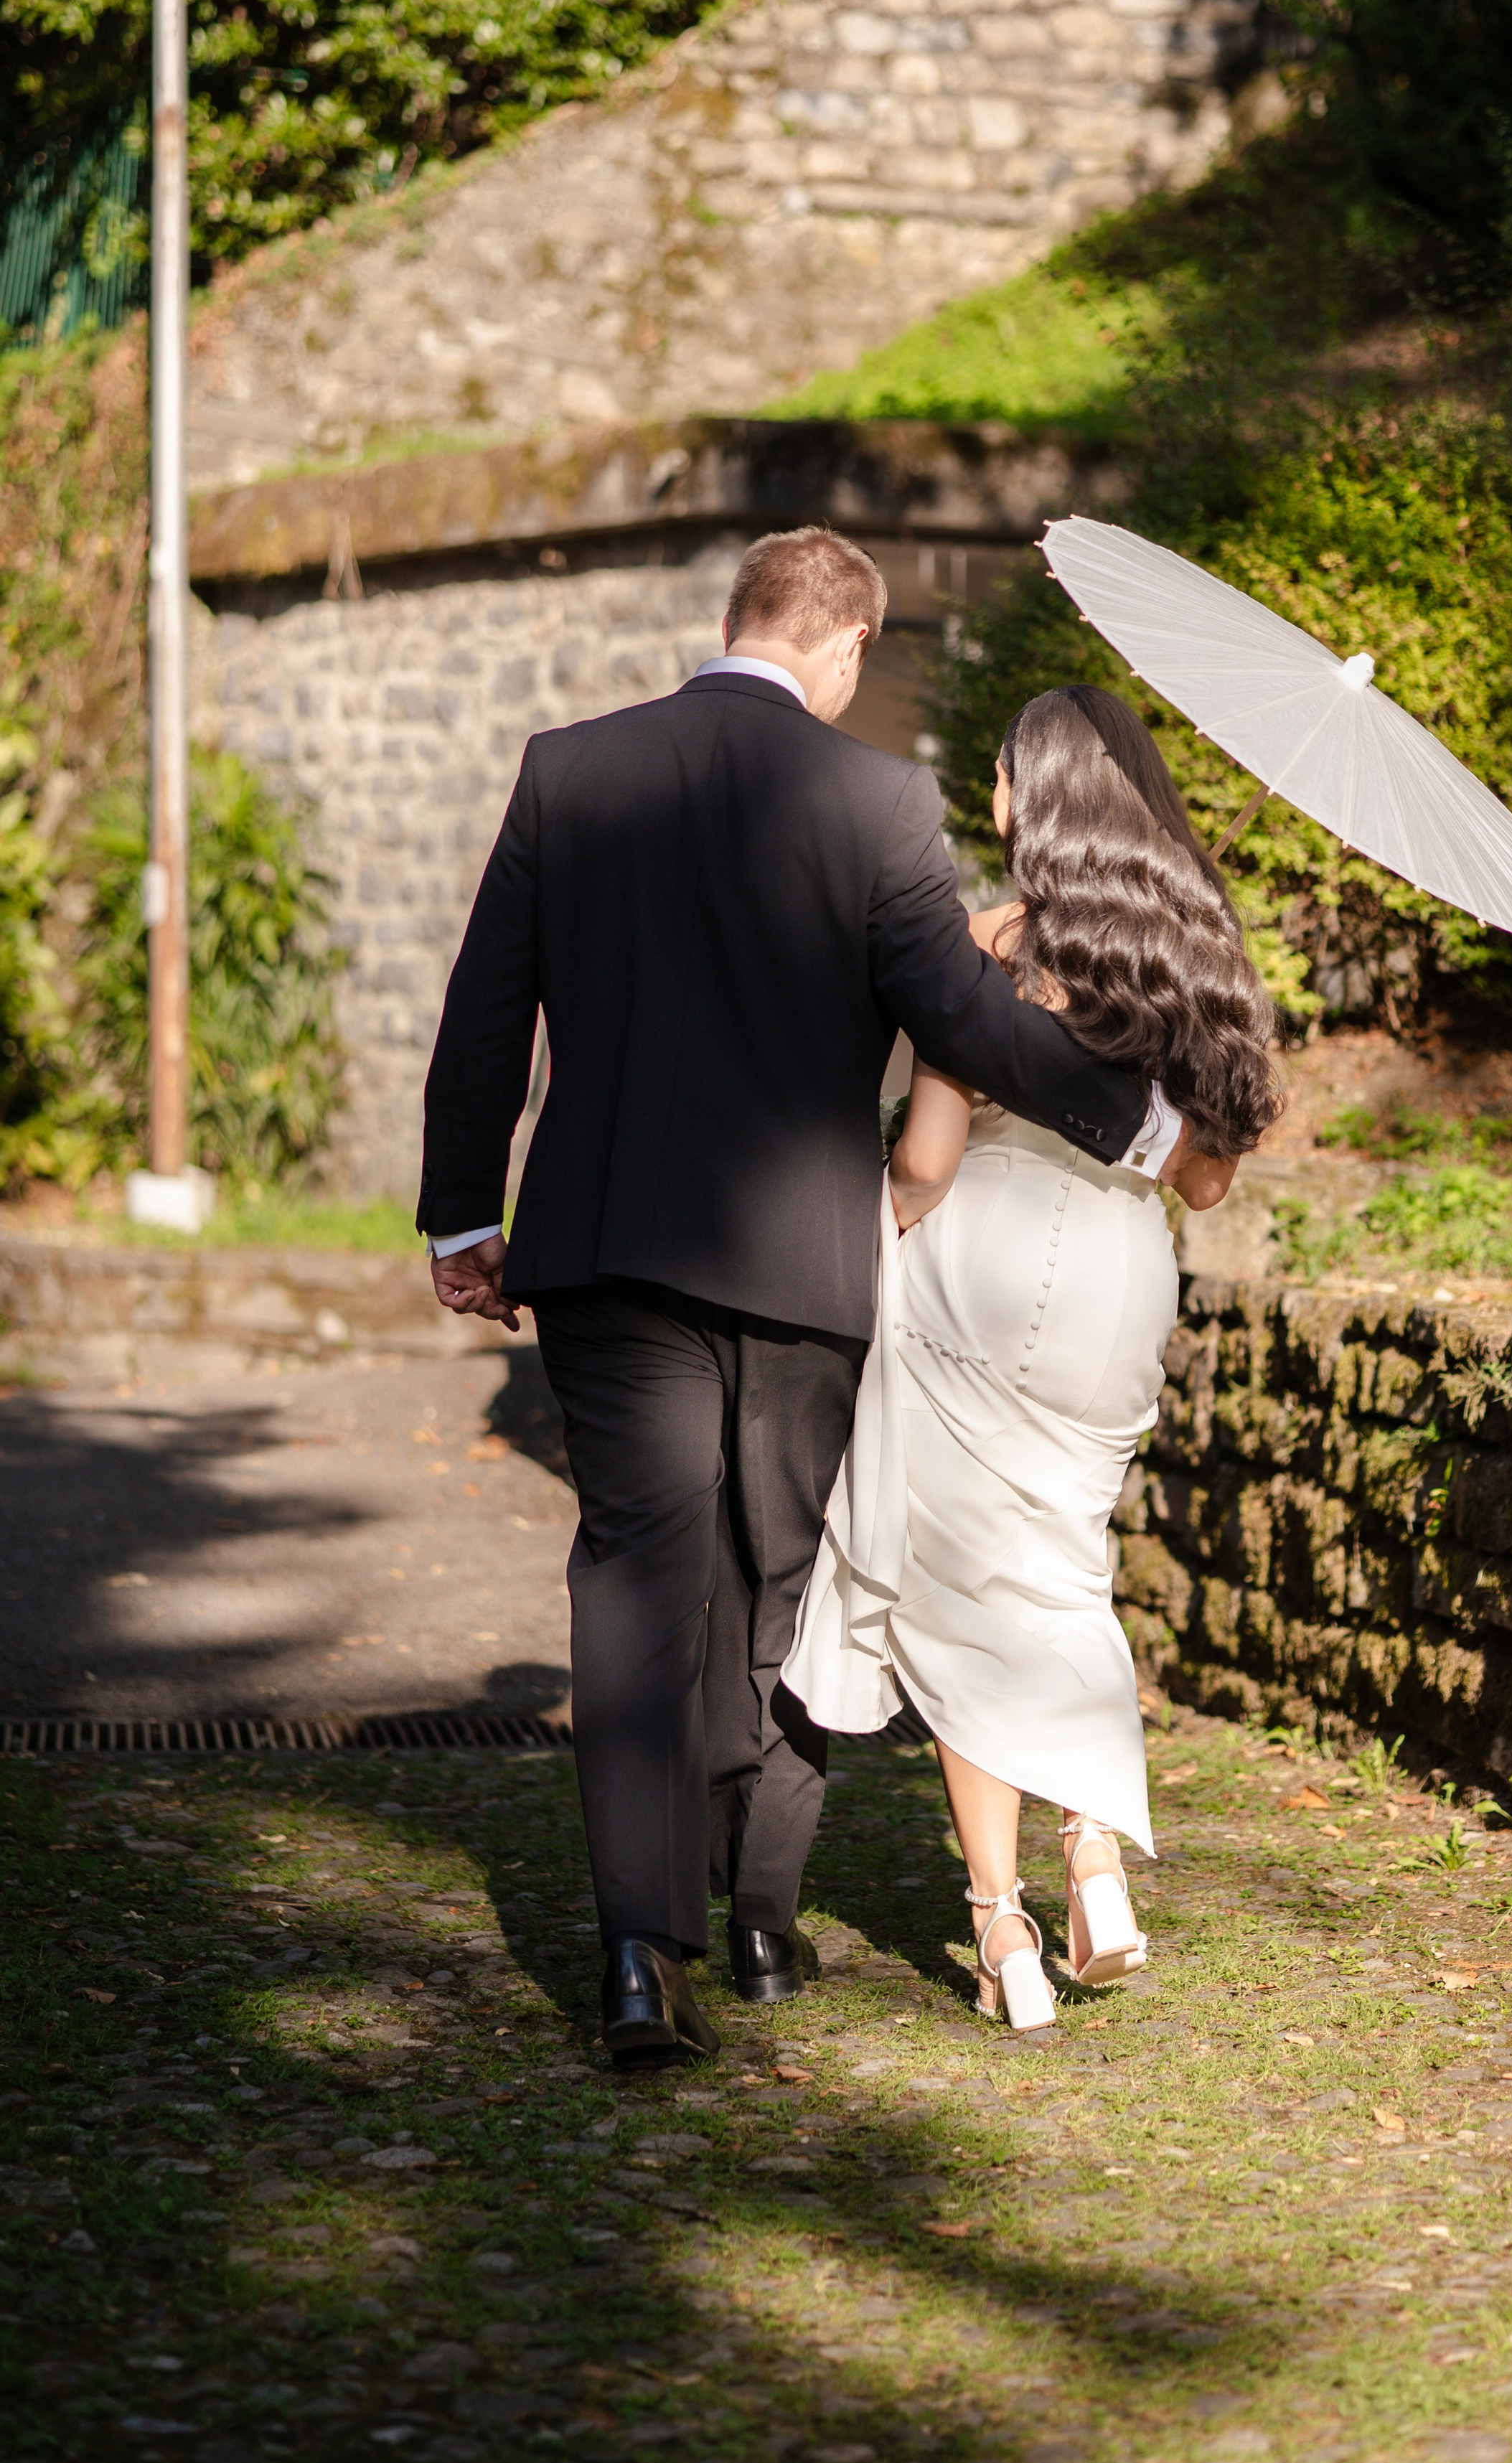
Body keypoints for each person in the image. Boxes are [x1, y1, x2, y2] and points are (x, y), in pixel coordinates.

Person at [418, 531, 1178, 2060]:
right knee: (776, 1578)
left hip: (611, 1254)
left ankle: (639, 1956)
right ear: (843, 648)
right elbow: (962, 1016)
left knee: (638, 1574)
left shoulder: (570, 772)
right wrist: (1138, 1120)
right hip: (800, 1261)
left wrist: (459, 1217)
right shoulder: (876, 800)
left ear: (734, 624)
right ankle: (758, 1923)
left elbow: (486, 1004)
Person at [784, 685, 1280, 2027]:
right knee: (1064, 1568)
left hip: (982, 1266)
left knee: (958, 1596)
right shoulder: (1200, 958)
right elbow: (1209, 1186)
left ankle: (1003, 1933)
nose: (992, 794)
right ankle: (1094, 1854)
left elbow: (932, 1162)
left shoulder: (993, 943)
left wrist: (868, 1206)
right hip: (1119, 1281)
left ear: (1036, 796)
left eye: (1002, 774)